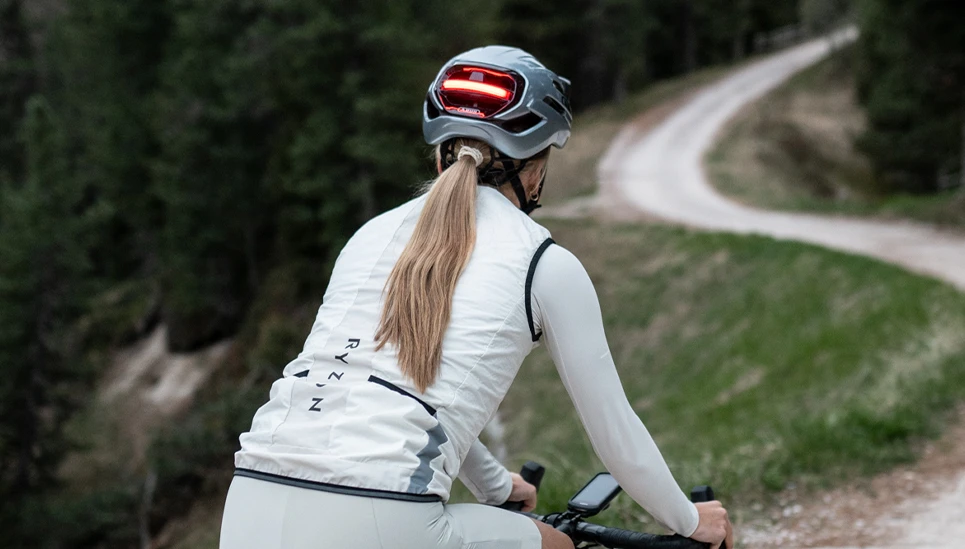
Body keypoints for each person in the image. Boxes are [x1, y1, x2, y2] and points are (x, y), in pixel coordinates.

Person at [220, 46, 733, 549]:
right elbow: (615, 435)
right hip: (382, 515)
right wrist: (691, 521)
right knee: (557, 545)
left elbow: (396, 391)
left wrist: (495, 486)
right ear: (534, 167)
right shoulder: (544, 264)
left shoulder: (369, 237)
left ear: (439, 151)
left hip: (249, 505)